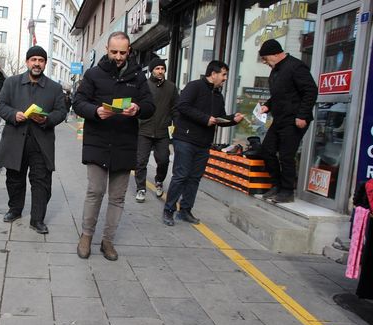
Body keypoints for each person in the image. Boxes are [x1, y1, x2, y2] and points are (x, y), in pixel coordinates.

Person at [72, 31, 155, 260]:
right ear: (107, 50)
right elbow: (78, 102)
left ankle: (107, 241)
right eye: (114, 51)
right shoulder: (93, 74)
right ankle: (86, 236)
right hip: (97, 141)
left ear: (129, 51)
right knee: (95, 191)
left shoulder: (138, 77)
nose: (118, 56)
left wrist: (138, 108)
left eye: (122, 52)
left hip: (125, 143)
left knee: (117, 197)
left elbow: (150, 105)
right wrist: (95, 111)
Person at [0, 46, 67, 234]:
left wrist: (47, 119)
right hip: (15, 139)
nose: (37, 63)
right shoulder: (11, 83)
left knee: (41, 181)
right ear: (27, 62)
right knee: (14, 179)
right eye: (33, 59)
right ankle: (15, 210)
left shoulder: (54, 87)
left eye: (41, 60)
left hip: (41, 141)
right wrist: (13, 114)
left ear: (45, 63)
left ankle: (37, 219)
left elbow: (61, 111)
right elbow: (0, 105)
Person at [163, 60, 244, 226]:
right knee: (181, 175)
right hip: (185, 139)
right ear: (213, 74)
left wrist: (233, 119)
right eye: (223, 74)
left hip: (204, 143)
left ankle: (185, 211)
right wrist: (205, 118)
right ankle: (168, 210)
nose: (225, 78)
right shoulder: (194, 86)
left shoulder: (218, 95)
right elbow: (182, 106)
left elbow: (220, 118)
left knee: (194, 178)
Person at [258, 39, 318, 203]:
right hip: (280, 119)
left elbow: (310, 91)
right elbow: (280, 94)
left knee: (286, 155)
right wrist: (267, 106)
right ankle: (277, 184)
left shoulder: (295, 66)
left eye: (266, 58)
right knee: (267, 150)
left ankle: (287, 191)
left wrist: (302, 115)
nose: (265, 62)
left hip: (294, 119)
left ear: (277, 54)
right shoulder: (276, 69)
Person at [134, 58, 179, 203]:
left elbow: (175, 109)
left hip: (162, 131)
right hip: (144, 129)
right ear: (151, 70)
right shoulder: (144, 86)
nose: (160, 71)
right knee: (141, 161)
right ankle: (141, 188)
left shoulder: (171, 88)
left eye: (162, 68)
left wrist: (176, 125)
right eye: (157, 68)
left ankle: (159, 181)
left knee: (164, 160)